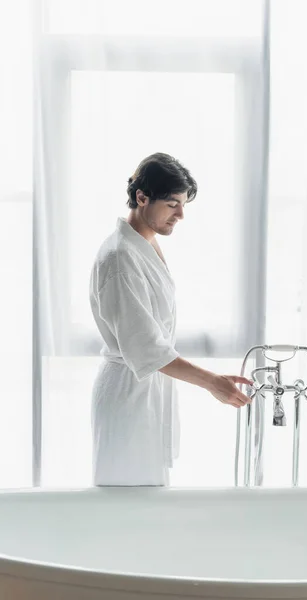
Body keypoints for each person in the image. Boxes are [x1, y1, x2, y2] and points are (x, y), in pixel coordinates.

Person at [89, 152, 253, 486]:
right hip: (128, 395)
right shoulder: (120, 258)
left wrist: (214, 380)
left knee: (147, 507)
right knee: (128, 511)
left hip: (144, 392)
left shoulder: (141, 247)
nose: (180, 214)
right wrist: (212, 383)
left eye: (183, 205)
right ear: (141, 197)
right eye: (172, 204)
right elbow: (148, 348)